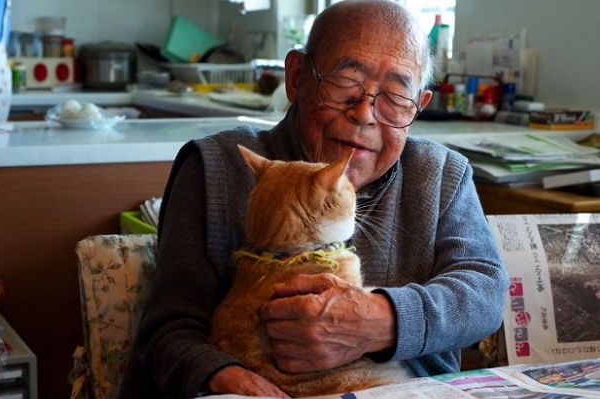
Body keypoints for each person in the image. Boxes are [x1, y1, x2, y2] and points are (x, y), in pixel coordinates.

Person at [119, 0, 509, 397]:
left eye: (394, 95)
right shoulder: (220, 167)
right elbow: (166, 331)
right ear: (297, 78)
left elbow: (485, 293)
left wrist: (380, 320)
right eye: (346, 82)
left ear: (418, 106)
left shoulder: (439, 173)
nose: (365, 113)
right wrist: (231, 378)